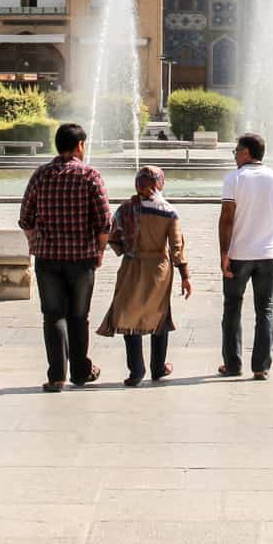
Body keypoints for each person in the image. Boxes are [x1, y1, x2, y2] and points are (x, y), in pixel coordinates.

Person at [17, 123, 112, 392]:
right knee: (79, 316)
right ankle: (81, 372)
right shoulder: (90, 176)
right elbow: (105, 221)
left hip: (47, 259)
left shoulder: (41, 175)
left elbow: (25, 218)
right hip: (81, 258)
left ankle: (57, 376)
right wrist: (100, 251)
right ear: (79, 145)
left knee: (53, 315)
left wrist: (35, 242)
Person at [96, 165, 192, 386]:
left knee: (130, 314)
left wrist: (127, 249)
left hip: (131, 265)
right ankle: (158, 368)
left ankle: (136, 370)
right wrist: (185, 276)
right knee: (159, 315)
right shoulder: (168, 211)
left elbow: (114, 238)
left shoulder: (125, 209)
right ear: (159, 183)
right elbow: (176, 247)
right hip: (159, 268)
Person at [217, 132, 273, 381]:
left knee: (232, 308)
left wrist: (224, 253)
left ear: (246, 153)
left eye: (236, 151)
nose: (235, 155)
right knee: (266, 310)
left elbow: (227, 217)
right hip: (268, 256)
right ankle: (260, 366)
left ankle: (232, 364)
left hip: (240, 254)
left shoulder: (235, 179)